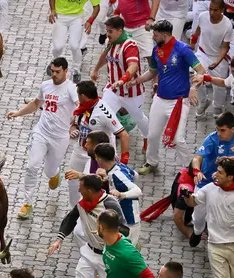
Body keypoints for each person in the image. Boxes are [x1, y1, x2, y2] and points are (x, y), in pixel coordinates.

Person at [9, 57, 78, 219]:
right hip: (41, 132)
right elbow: (35, 104)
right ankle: (27, 203)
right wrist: (18, 113)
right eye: (52, 71)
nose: (54, 75)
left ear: (66, 71)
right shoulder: (45, 86)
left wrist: (74, 125)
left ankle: (55, 172)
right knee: (32, 166)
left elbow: (80, 107)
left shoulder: (71, 89)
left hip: (60, 137)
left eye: (57, 72)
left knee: (48, 172)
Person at [134, 20, 206, 176]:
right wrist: (137, 80)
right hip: (160, 99)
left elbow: (201, 70)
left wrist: (194, 87)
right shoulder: (156, 50)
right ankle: (152, 162)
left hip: (179, 101)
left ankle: (190, 169)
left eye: (155, 34)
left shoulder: (183, 50)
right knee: (152, 135)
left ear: (165, 35)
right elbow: (153, 72)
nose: (153, 36)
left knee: (178, 139)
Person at [48, 176, 129, 278]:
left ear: (90, 190)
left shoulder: (110, 204)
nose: (79, 191)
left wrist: (106, 232)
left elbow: (125, 230)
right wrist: (59, 240)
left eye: (81, 189)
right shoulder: (82, 204)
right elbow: (71, 218)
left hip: (107, 255)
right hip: (89, 252)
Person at [189, 112, 234, 247]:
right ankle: (197, 231)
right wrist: (197, 171)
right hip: (206, 182)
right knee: (199, 216)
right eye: (217, 129)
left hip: (227, 184)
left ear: (232, 129)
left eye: (223, 130)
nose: (219, 133)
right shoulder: (211, 139)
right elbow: (197, 157)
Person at [91, 16, 149, 153]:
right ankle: (108, 148)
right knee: (102, 116)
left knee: (139, 118)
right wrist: (96, 69)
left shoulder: (130, 45)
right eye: (107, 31)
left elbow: (133, 66)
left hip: (131, 92)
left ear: (119, 31)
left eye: (110, 31)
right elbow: (105, 56)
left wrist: (123, 80)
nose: (107, 34)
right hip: (112, 89)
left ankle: (147, 139)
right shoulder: (110, 41)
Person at [190, 0, 233, 117]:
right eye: (210, 9)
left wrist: (217, 62)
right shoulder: (203, 16)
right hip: (202, 53)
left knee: (219, 87)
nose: (211, 12)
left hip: (218, 58)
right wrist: (192, 44)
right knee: (197, 76)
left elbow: (225, 47)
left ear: (222, 10)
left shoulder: (227, 25)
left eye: (215, 10)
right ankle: (203, 102)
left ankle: (218, 107)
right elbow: (197, 32)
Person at [71, 80, 129, 164]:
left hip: (99, 157)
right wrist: (73, 128)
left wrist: (124, 162)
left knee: (89, 176)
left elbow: (124, 135)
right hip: (80, 151)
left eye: (78, 94)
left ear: (83, 96)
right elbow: (75, 123)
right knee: (71, 176)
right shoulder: (82, 106)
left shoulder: (104, 113)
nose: (77, 97)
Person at [95, 143, 142, 244]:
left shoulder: (117, 174)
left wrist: (122, 194)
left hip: (129, 218)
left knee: (127, 251)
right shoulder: (119, 167)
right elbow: (135, 175)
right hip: (125, 216)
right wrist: (107, 178)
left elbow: (138, 191)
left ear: (99, 159)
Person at [49, 0, 100, 83]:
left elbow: (97, 7)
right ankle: (54, 62)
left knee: (75, 46)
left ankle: (76, 70)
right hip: (60, 16)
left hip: (77, 17)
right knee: (58, 46)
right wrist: (53, 10)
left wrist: (90, 21)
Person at [65, 131, 110, 205]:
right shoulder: (94, 158)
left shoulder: (104, 162)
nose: (85, 146)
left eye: (88, 143)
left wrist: (80, 175)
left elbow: (99, 179)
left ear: (95, 146)